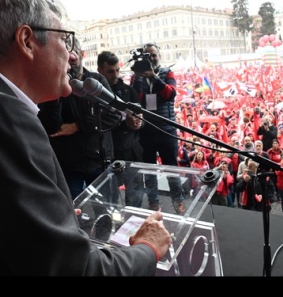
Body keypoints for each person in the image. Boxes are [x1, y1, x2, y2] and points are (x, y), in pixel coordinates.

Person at [0, 0, 171, 276]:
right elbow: (74, 269)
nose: (72, 55)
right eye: (65, 40)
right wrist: (148, 248)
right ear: (26, 40)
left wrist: (45, 221)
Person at [38, 39, 121, 200]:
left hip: (99, 161)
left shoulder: (96, 81)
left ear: (82, 54)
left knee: (110, 210)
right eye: (65, 53)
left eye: (74, 51)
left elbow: (114, 115)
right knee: (72, 212)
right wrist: (57, 92)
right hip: (69, 166)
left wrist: (78, 125)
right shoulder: (53, 85)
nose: (71, 58)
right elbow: (52, 127)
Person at [130, 42, 185, 214]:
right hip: (146, 130)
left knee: (171, 167)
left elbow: (170, 94)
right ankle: (153, 201)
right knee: (149, 169)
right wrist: (139, 79)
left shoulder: (167, 73)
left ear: (159, 56)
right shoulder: (136, 77)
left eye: (153, 55)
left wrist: (154, 76)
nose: (151, 58)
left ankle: (178, 199)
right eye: (147, 55)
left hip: (166, 129)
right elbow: (136, 101)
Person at [97, 50, 145, 207]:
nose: (115, 75)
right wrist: (125, 123)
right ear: (100, 71)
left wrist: (139, 122)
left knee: (136, 193)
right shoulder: (95, 95)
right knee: (110, 198)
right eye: (110, 71)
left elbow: (141, 117)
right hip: (109, 151)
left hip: (132, 148)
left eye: (117, 70)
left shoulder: (128, 91)